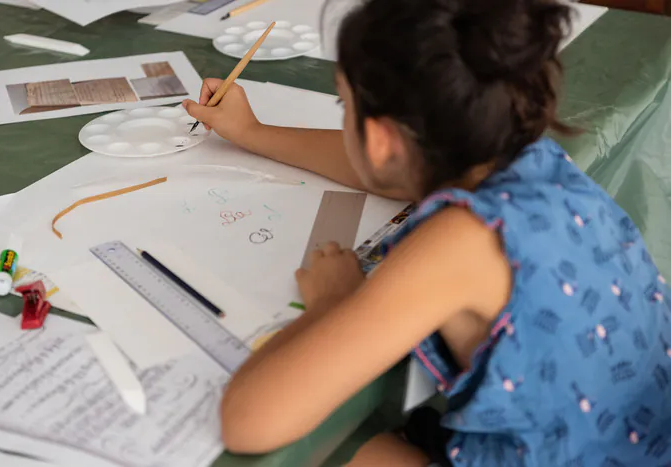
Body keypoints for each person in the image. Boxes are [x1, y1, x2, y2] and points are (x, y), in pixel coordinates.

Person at [182, 0, 671, 464]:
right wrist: (252, 132)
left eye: (344, 105)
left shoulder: (458, 241)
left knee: (326, 450)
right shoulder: (531, 159)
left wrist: (334, 305)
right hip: (642, 442)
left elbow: (249, 423)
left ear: (381, 140)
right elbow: (382, 169)